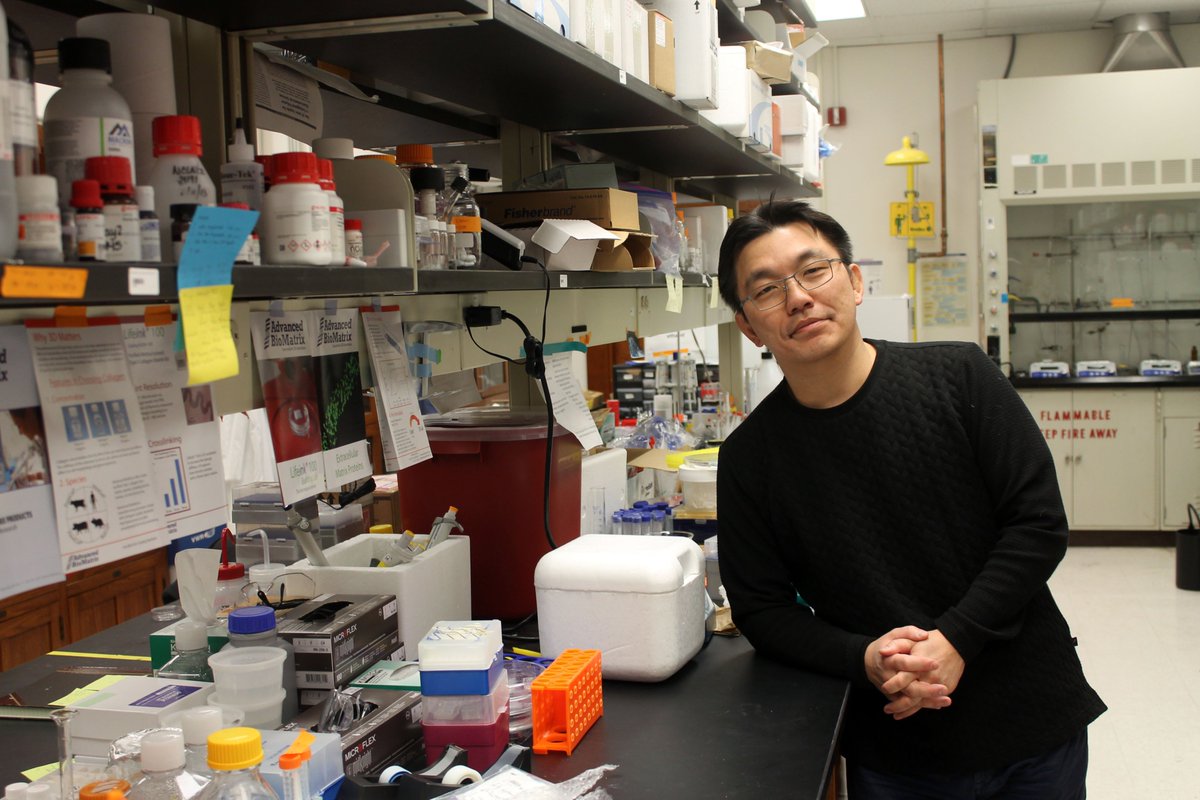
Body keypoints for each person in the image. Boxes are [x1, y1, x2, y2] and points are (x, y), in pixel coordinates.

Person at [715, 201, 1105, 798]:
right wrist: (865, 658)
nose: (797, 298)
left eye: (813, 270)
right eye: (767, 290)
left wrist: (956, 639)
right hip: (895, 740)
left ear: (855, 279)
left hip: (1028, 718)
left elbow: (1037, 524)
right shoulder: (749, 459)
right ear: (748, 324)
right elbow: (763, 611)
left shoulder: (959, 378)